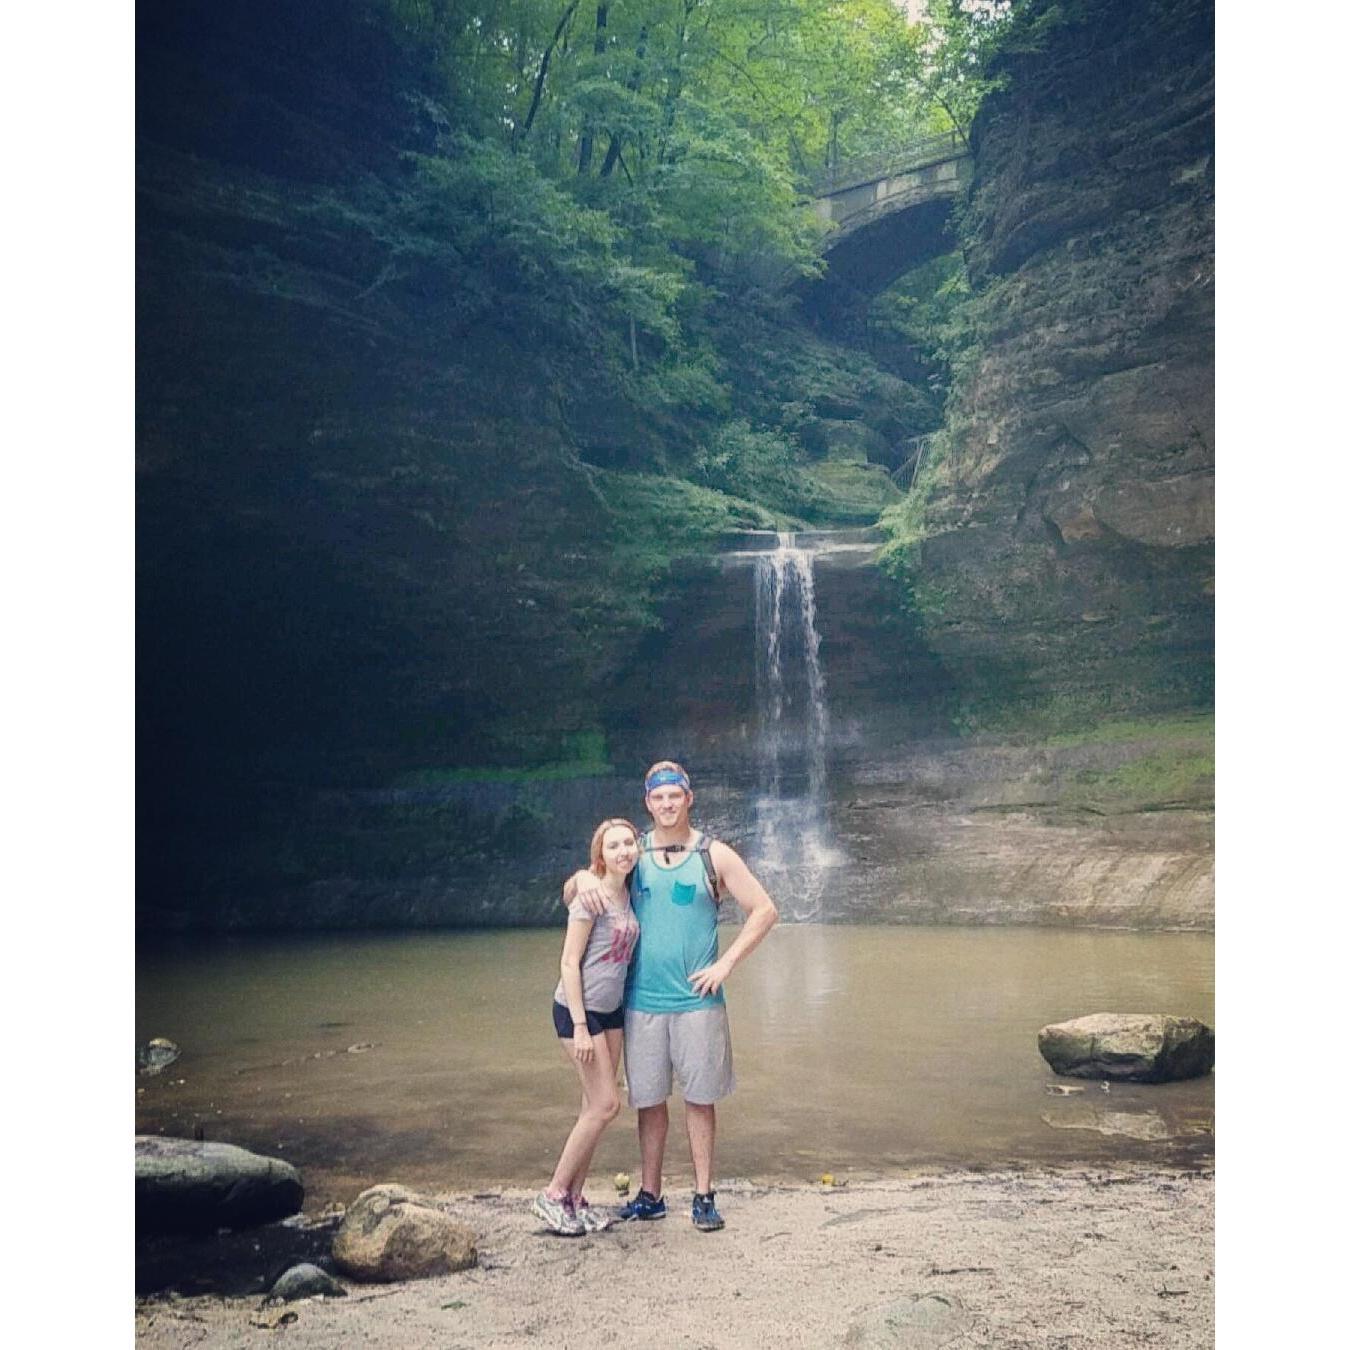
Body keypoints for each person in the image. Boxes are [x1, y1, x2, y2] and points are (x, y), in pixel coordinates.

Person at [571, 760, 778, 1232]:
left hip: (697, 1003)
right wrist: (582, 880)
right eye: (658, 797)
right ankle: (651, 1194)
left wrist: (725, 964)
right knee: (648, 1102)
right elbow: (579, 888)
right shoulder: (630, 853)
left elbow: (764, 910)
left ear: (689, 798)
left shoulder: (714, 855)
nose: (667, 804)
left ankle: (704, 1195)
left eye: (675, 795)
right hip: (640, 1001)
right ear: (648, 802)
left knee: (700, 1100)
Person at [533, 818, 641, 1237]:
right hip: (580, 1012)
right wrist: (579, 1024)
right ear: (600, 854)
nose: (623, 851)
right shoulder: (589, 897)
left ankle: (576, 1201)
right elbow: (568, 962)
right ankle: (553, 1194)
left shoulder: (629, 894)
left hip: (611, 1011)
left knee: (592, 1108)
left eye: (629, 843)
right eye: (613, 845)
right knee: (605, 1106)